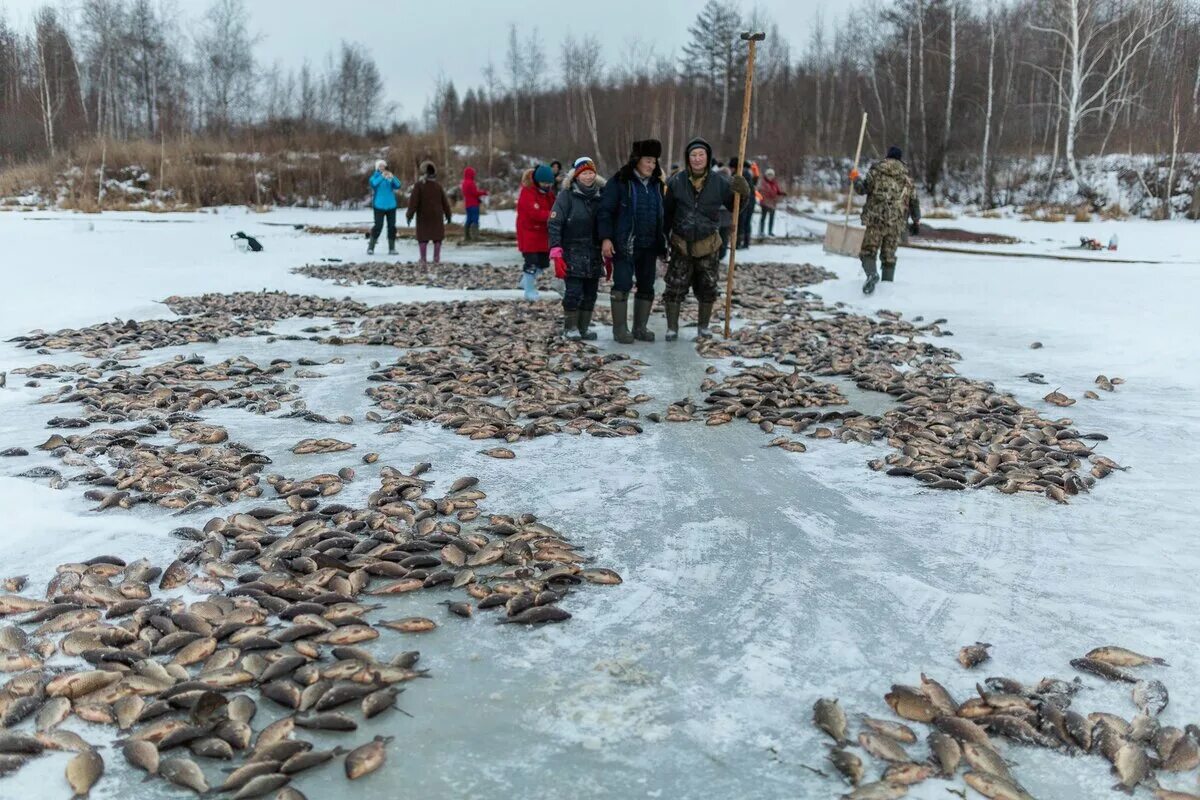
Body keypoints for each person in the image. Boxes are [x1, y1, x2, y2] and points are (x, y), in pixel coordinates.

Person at [662, 137, 751, 342]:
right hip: (681, 244)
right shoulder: (676, 181)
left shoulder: (720, 182)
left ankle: (703, 327)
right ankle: (672, 328)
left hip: (709, 244)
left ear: (708, 157)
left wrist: (744, 193)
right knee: (674, 288)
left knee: (708, 287)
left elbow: (734, 208)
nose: (697, 159)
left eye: (701, 154)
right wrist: (663, 239)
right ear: (688, 158)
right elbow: (666, 213)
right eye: (693, 155)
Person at [598, 139, 666, 344]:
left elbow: (662, 215)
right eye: (648, 161)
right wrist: (606, 238)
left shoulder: (657, 184)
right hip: (625, 243)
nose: (651, 165)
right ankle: (620, 330)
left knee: (647, 286)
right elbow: (605, 212)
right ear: (636, 160)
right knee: (623, 284)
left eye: (654, 162)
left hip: (650, 244)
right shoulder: (620, 181)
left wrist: (663, 242)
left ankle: (640, 328)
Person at [549, 157, 606, 341]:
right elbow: (555, 222)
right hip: (572, 250)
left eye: (591, 173)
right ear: (576, 176)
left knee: (591, 293)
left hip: (594, 251)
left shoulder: (601, 195)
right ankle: (570, 327)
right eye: (584, 173)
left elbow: (607, 222)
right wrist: (556, 249)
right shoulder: (566, 195)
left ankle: (583, 327)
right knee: (573, 292)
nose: (588, 177)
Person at [852, 145, 921, 295]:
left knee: (868, 252)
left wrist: (855, 178)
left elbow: (862, 189)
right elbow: (914, 202)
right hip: (896, 223)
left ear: (887, 156)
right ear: (900, 159)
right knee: (889, 256)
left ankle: (872, 274)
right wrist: (916, 221)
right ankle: (887, 289)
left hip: (876, 220)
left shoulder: (876, 172)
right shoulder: (907, 179)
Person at [516, 164, 557, 300]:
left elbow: (555, 206)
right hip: (528, 233)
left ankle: (525, 281)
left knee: (544, 263)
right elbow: (534, 213)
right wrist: (552, 215)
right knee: (531, 262)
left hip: (543, 234)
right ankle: (529, 290)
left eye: (549, 183)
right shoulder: (527, 192)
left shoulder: (549, 194)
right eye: (544, 183)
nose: (547, 186)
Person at [406, 161, 453, 266]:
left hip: (424, 216)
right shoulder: (438, 186)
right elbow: (445, 202)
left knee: (423, 237)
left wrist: (409, 215)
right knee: (437, 237)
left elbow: (413, 202)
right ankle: (436, 258)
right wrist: (448, 215)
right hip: (437, 215)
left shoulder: (419, 186)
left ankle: (423, 258)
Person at [367, 159, 401, 255]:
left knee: (392, 227)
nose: (382, 168)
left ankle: (392, 248)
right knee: (378, 226)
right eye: (380, 166)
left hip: (391, 206)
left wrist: (392, 177)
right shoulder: (374, 177)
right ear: (377, 168)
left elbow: (398, 185)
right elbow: (374, 184)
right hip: (379, 206)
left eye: (384, 166)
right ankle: (371, 247)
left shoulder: (389, 176)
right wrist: (382, 176)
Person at [731, 157, 756, 250]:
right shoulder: (747, 173)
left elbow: (742, 190)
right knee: (746, 223)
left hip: (745, 202)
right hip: (751, 201)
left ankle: (738, 243)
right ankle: (745, 242)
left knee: (741, 222)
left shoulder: (741, 174)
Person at [460, 166, 487, 242]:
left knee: (469, 219)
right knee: (475, 219)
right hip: (473, 204)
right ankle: (476, 236)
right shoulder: (471, 183)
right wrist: (483, 192)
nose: (474, 175)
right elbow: (475, 193)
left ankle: (467, 236)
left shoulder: (464, 183)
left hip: (467, 204)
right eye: (473, 174)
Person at [758, 168, 785, 237]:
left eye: (772, 175)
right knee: (763, 217)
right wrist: (772, 194)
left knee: (772, 218)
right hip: (765, 202)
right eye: (769, 175)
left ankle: (770, 231)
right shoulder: (763, 183)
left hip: (772, 203)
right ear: (766, 175)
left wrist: (781, 193)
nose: (770, 177)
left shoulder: (775, 183)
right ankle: (761, 231)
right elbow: (763, 192)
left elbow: (777, 191)